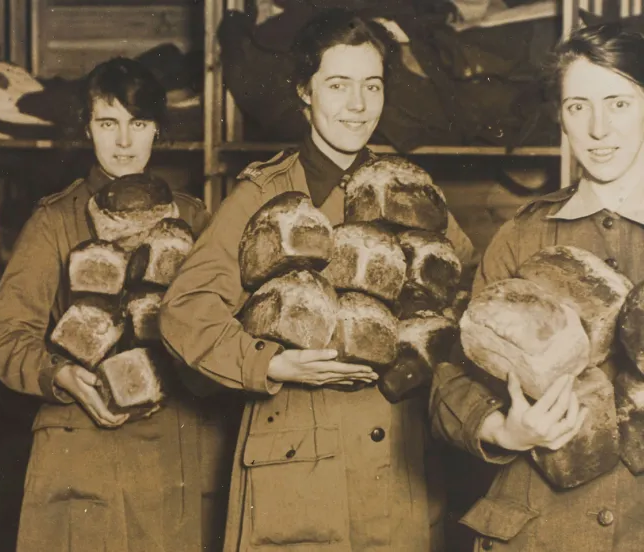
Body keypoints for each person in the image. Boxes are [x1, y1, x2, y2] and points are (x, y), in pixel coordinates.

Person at [160, 9, 475, 551]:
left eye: (371, 85)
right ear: (304, 91)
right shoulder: (264, 196)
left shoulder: (407, 189)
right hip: (298, 466)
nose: (357, 105)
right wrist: (272, 363)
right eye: (338, 85)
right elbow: (184, 312)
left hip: (399, 467)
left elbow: (465, 285)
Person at [0, 57, 237, 552]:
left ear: (157, 129)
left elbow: (226, 325)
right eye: (108, 123)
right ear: (87, 127)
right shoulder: (56, 220)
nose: (124, 142)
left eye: (138, 124)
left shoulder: (194, 217)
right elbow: (4, 336)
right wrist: (58, 375)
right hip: (86, 444)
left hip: (181, 449)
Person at [430, 23, 644, 552]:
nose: (598, 128)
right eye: (578, 106)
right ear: (560, 116)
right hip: (541, 532)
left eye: (618, 103)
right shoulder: (523, 235)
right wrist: (505, 430)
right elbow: (450, 382)